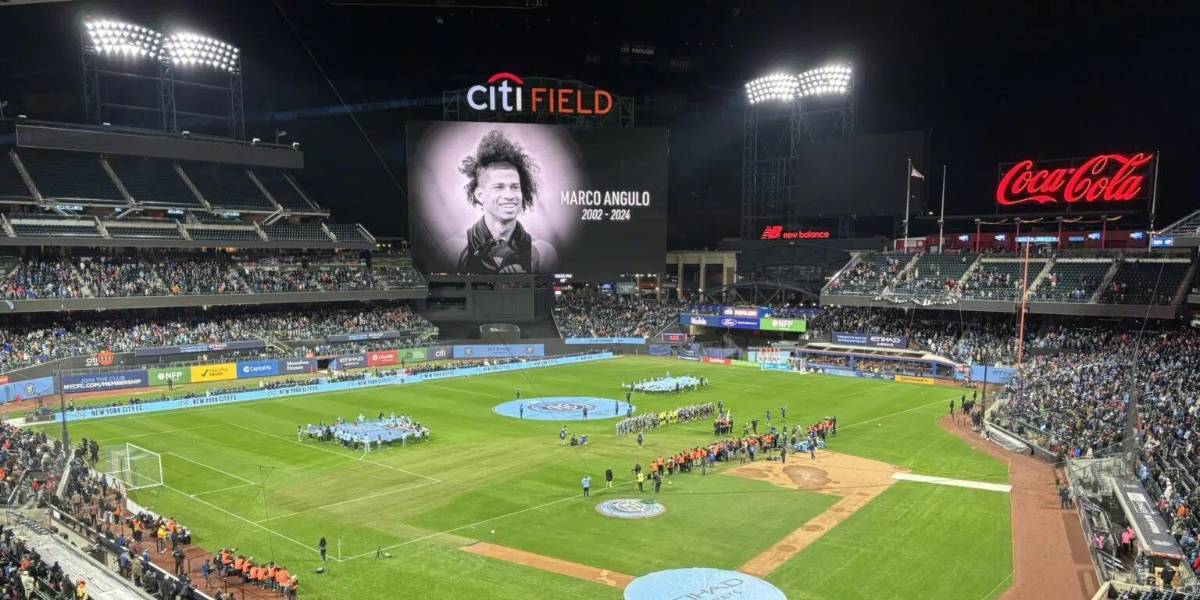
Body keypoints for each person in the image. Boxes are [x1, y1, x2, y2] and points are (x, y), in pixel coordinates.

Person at [450, 129, 558, 274]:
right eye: (499, 187)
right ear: (480, 195)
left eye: (514, 187)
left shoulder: (542, 253)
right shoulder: (455, 249)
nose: (509, 195)